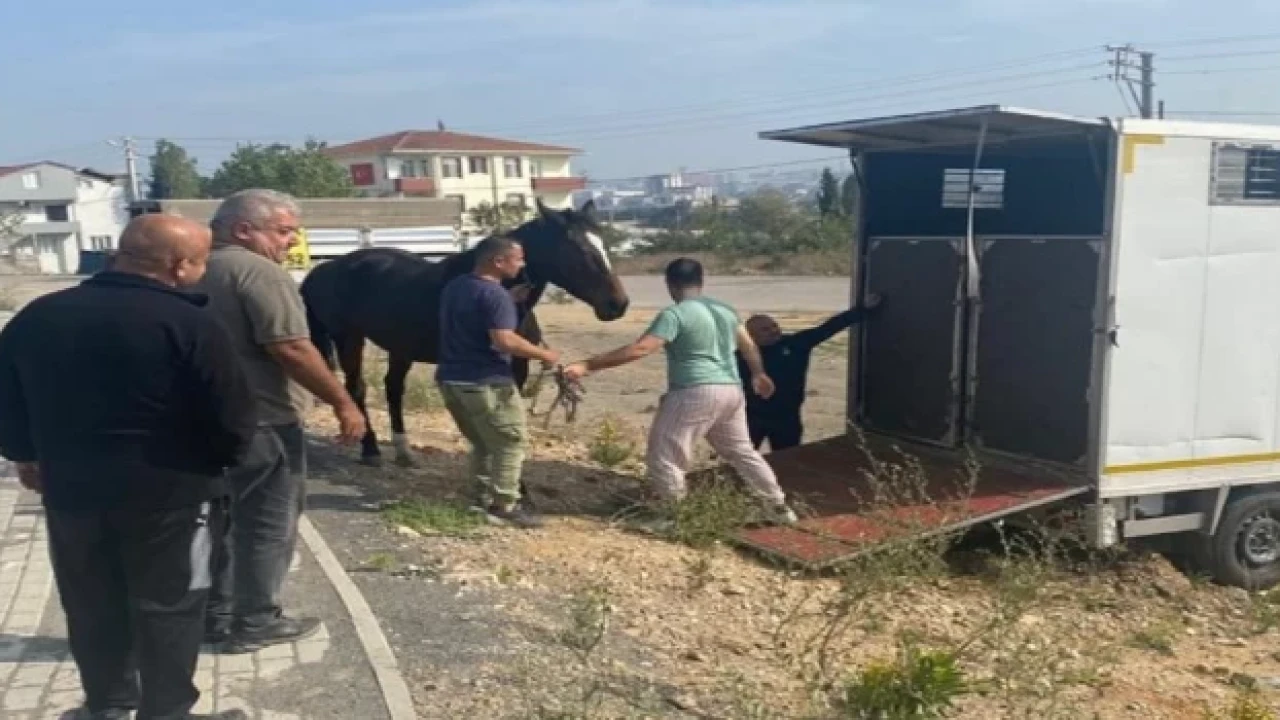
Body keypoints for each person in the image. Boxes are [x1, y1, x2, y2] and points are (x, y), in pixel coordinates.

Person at [0, 215, 254, 720]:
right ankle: (166, 711)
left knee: (92, 603)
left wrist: (25, 455)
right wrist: (222, 464)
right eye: (201, 262)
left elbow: (7, 398)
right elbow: (232, 416)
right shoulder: (192, 324)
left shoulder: (39, 317)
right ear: (179, 266)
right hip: (174, 494)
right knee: (172, 606)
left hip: (72, 491)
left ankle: (108, 706)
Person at [199, 189, 366, 654]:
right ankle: (256, 621)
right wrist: (343, 402)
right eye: (284, 231)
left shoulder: (189, 268)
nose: (292, 241)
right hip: (264, 420)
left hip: (204, 421)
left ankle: (216, 615)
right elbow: (290, 347)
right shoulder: (259, 272)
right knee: (268, 521)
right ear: (243, 230)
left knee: (221, 521)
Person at [563, 258, 798, 524]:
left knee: (666, 453)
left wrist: (588, 365)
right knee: (742, 451)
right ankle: (778, 507)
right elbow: (748, 346)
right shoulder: (726, 311)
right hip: (731, 390)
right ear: (701, 281)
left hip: (694, 391)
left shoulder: (674, 315)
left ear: (670, 284)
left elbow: (641, 348)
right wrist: (758, 373)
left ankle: (671, 516)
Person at [436, 235, 560, 529]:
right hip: (487, 382)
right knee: (510, 442)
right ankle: (504, 505)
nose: (522, 264)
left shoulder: (458, 286)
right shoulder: (495, 296)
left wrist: (508, 300)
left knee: (481, 442)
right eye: (518, 258)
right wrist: (544, 354)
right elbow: (504, 340)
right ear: (498, 261)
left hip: (452, 379)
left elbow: (475, 314)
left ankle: (479, 497)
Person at [739, 294, 883, 452]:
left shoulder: (796, 344)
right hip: (752, 418)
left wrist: (863, 310)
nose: (774, 331)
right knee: (742, 457)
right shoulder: (740, 355)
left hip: (787, 418)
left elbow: (829, 328)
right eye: (765, 329)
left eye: (774, 326)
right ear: (751, 335)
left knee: (789, 457)